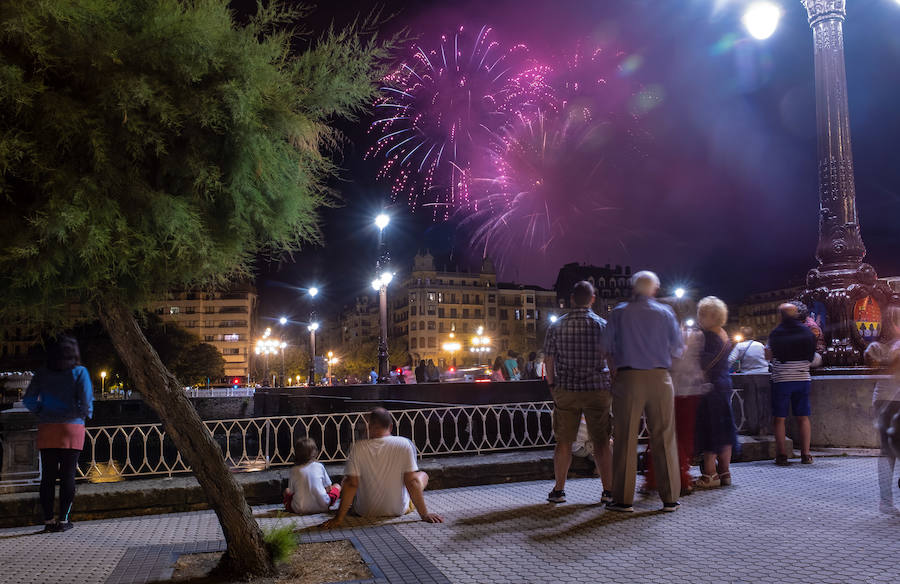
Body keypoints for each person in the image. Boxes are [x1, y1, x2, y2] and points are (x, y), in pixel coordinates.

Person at [604, 270, 684, 513]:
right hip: (661, 377)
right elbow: (678, 349)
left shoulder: (619, 312)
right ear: (655, 289)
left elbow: (607, 348)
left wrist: (615, 371)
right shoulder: (666, 312)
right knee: (664, 437)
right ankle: (670, 497)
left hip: (628, 378)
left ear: (633, 288)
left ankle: (623, 499)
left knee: (625, 438)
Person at [543, 281, 614, 504]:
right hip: (597, 388)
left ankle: (559, 490)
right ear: (592, 299)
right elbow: (612, 359)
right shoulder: (603, 325)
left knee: (563, 442)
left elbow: (549, 359)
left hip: (567, 389)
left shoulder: (557, 326)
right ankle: (608, 491)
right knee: (601, 442)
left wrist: (552, 385)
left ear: (572, 299)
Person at [321, 408, 443, 527]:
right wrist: (425, 514)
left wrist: (338, 518)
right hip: (398, 509)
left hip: (364, 511)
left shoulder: (358, 448)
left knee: (347, 479)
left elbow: (351, 484)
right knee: (422, 475)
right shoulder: (404, 444)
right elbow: (411, 482)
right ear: (390, 426)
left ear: (369, 427)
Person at [23, 336, 93, 532]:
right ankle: (64, 520)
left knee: (48, 476)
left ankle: (48, 521)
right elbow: (87, 401)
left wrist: (41, 411)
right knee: (68, 475)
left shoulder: (42, 373)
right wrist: (83, 414)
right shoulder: (80, 372)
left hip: (47, 427)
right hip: (72, 427)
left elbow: (28, 399)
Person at [692, 297, 738, 488]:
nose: (698, 318)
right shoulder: (724, 334)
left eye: (701, 314)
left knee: (710, 429)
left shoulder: (707, 338)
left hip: (709, 388)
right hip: (724, 384)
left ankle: (710, 474)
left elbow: (702, 364)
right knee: (724, 429)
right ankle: (725, 472)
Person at [766, 303, 817, 466]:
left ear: (780, 315)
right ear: (796, 314)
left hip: (781, 379)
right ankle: (806, 455)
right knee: (803, 417)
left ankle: (781, 455)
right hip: (802, 378)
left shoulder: (775, 333)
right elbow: (812, 357)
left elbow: (768, 355)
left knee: (779, 419)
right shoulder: (806, 332)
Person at [864, 306, 900, 515]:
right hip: (890, 403)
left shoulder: (877, 347)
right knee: (889, 453)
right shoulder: (888, 347)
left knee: (889, 453)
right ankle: (886, 502)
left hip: (885, 401)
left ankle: (886, 501)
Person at [284, 437, 341, 514]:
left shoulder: (294, 470)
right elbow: (329, 488)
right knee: (337, 486)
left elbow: (291, 491)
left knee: (286, 490)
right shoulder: (320, 466)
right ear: (314, 453)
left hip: (299, 509)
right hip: (323, 506)